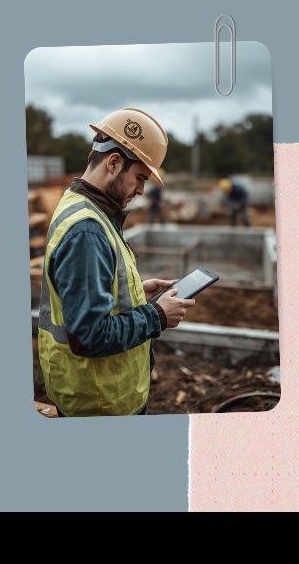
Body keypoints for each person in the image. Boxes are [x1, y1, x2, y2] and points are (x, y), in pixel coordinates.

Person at [37, 108, 193, 417]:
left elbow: (86, 292)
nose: (140, 190)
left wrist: (138, 293)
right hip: (101, 403)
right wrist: (157, 316)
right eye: (139, 178)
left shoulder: (81, 206)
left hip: (97, 396)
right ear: (113, 162)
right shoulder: (87, 230)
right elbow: (91, 335)